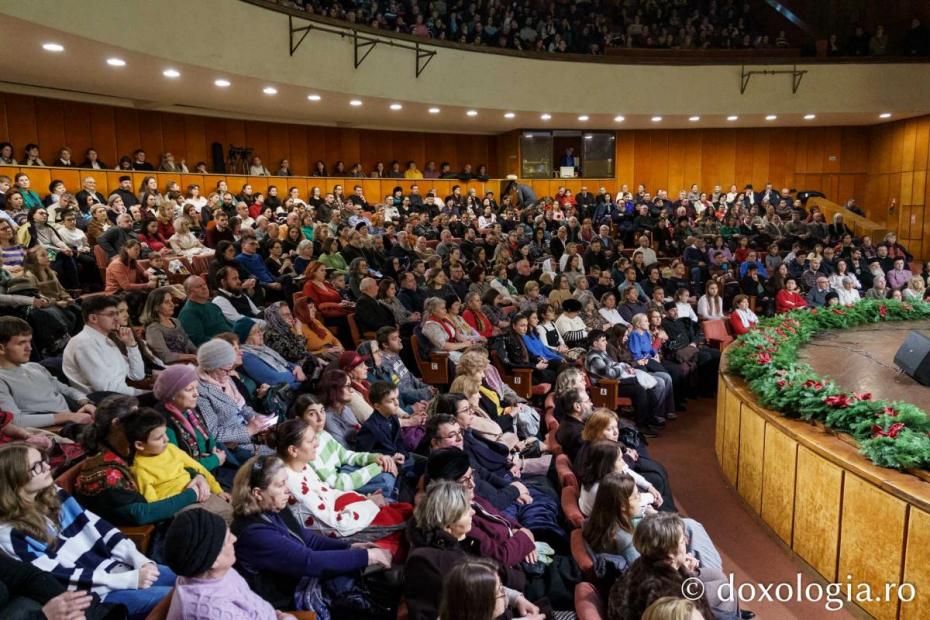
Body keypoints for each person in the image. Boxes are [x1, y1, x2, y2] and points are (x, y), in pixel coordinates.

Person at [0, 443, 176, 617]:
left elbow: (102, 529)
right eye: (37, 466)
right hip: (97, 596)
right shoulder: (8, 534)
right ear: (15, 478)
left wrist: (140, 560)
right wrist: (129, 579)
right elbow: (57, 576)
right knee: (179, 597)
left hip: (122, 570)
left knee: (188, 579)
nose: (47, 466)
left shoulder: (54, 493)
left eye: (44, 460)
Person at [229, 454, 391, 611]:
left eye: (286, 482)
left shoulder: (272, 508)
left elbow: (307, 538)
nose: (288, 490)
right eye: (280, 485)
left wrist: (349, 547)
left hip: (299, 580)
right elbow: (308, 561)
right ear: (257, 493)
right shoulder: (253, 533)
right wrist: (368, 556)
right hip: (285, 602)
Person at [268, 418, 412, 552]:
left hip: (346, 511)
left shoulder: (300, 465)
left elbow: (329, 492)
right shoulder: (291, 485)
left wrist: (362, 499)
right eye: (311, 441)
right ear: (293, 450)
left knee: (404, 510)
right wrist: (370, 504)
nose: (317, 444)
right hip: (342, 532)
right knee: (405, 519)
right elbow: (336, 526)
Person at [162, 508, 293, 620]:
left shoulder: (218, 572)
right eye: (228, 539)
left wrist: (275, 614)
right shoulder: (209, 611)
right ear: (213, 561)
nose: (234, 539)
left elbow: (251, 605)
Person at [607, 513, 734, 620]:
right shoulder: (666, 593)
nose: (687, 541)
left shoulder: (646, 560)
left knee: (717, 576)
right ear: (669, 553)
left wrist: (680, 568)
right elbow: (694, 612)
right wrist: (686, 575)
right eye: (682, 540)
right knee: (726, 590)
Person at [123, 407, 234, 522]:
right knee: (213, 523)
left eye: (165, 433)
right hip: (180, 508)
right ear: (140, 445)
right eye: (159, 438)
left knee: (230, 512)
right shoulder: (139, 469)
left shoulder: (171, 449)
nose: (166, 439)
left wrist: (218, 490)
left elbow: (199, 469)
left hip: (201, 494)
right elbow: (154, 504)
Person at [290, 394, 398, 497]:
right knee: (386, 479)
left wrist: (375, 458)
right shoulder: (307, 450)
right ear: (299, 420)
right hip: (338, 487)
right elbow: (336, 484)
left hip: (344, 472)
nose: (320, 418)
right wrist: (376, 468)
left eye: (322, 411)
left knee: (388, 468)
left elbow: (345, 455)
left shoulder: (322, 434)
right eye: (312, 414)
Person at [0, 316, 95, 428]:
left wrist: (84, 401)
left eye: (29, 341)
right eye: (21, 343)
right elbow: (14, 420)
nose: (29, 348)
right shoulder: (2, 379)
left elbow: (65, 389)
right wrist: (68, 417)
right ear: (1, 348)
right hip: (52, 428)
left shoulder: (36, 367)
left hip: (73, 415)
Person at [62, 295, 146, 396]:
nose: (117, 318)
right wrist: (142, 393)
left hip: (121, 396)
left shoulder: (106, 340)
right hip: (103, 401)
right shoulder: (84, 344)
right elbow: (106, 389)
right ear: (93, 318)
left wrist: (131, 345)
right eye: (111, 314)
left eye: (117, 313)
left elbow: (137, 375)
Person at [180, 276, 234, 346]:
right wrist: (225, 342)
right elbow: (197, 340)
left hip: (233, 342)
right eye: (198, 286)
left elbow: (228, 325)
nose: (204, 288)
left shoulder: (212, 306)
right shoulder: (188, 313)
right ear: (189, 292)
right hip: (218, 347)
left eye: (204, 284)